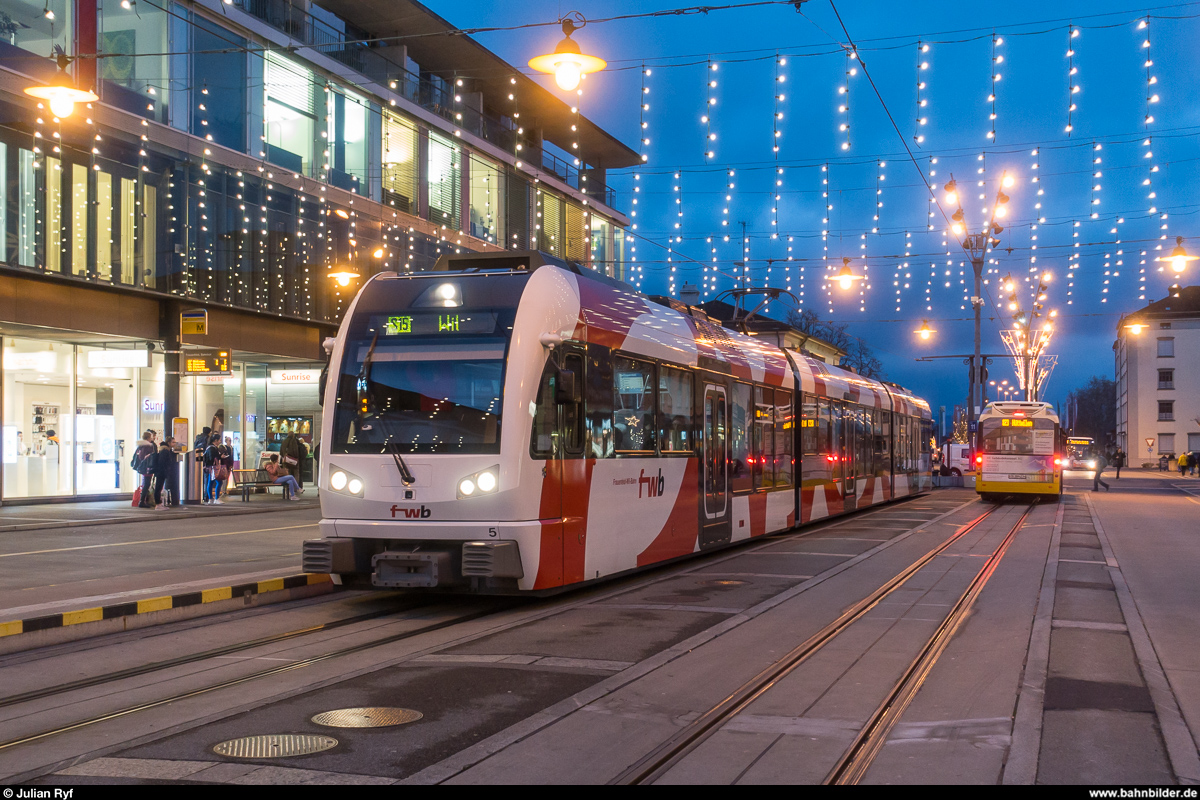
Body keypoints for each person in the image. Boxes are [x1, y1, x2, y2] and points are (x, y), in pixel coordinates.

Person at [132, 430, 157, 508]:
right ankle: (142, 501)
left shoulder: (141, 446)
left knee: (145, 484)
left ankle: (143, 501)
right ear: (148, 438)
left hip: (143, 467)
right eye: (151, 437)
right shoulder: (148, 446)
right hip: (147, 467)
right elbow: (145, 457)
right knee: (146, 484)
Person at [151, 440, 175, 509]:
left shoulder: (160, 451)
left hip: (159, 471)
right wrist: (166, 470)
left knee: (158, 487)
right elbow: (163, 462)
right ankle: (158, 504)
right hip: (161, 472)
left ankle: (159, 504)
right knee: (159, 487)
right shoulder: (165, 452)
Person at [202, 433, 223, 504]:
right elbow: (212, 458)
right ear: (215, 440)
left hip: (210, 468)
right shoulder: (212, 448)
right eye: (219, 440)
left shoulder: (210, 447)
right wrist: (219, 457)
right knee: (219, 482)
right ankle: (216, 498)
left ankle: (210, 499)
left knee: (210, 483)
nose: (220, 441)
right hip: (213, 468)